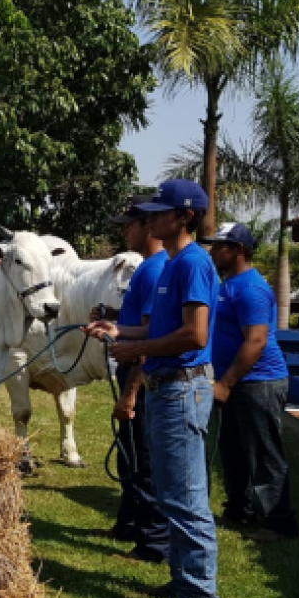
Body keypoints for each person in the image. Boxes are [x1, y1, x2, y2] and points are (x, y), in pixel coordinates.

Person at [86, 179, 220, 598]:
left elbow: (195, 335)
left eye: (159, 212)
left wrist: (136, 352)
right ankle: (184, 584)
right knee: (170, 494)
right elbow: (158, 328)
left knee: (186, 500)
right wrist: (119, 331)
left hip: (182, 389)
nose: (150, 219)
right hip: (168, 388)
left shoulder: (192, 264)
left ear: (183, 217)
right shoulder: (174, 265)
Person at [205, 223, 299, 542]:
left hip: (258, 381)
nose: (213, 251)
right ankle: (239, 508)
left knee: (263, 452)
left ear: (239, 250)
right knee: (234, 450)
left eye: (220, 246)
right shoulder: (228, 284)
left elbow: (256, 342)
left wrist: (226, 383)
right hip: (237, 381)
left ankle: (279, 522)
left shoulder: (250, 289)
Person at [98, 195, 170, 564]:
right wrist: (112, 320)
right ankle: (128, 525)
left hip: (140, 376)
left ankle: (153, 543)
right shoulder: (148, 267)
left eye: (129, 225)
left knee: (142, 461)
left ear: (148, 225)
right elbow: (138, 325)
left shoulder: (157, 269)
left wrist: (130, 393)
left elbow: (149, 337)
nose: (124, 232)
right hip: (133, 370)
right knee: (130, 458)